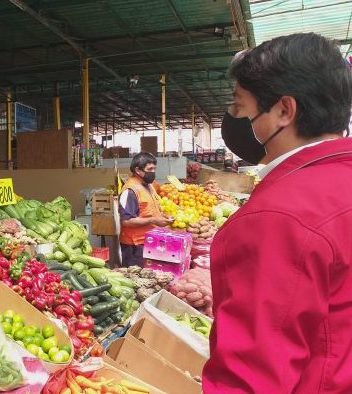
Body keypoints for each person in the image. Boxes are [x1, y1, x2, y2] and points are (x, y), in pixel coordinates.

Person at [204, 33, 352, 392]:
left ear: (284, 111)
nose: (234, 119)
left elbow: (251, 378)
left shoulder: (279, 216)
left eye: (240, 107)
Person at [118, 152, 173, 266]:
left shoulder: (149, 185)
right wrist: (153, 220)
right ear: (138, 170)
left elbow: (149, 210)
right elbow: (126, 221)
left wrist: (162, 216)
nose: (153, 172)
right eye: (150, 169)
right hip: (134, 246)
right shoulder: (129, 191)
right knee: (135, 279)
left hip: (148, 241)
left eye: (154, 168)